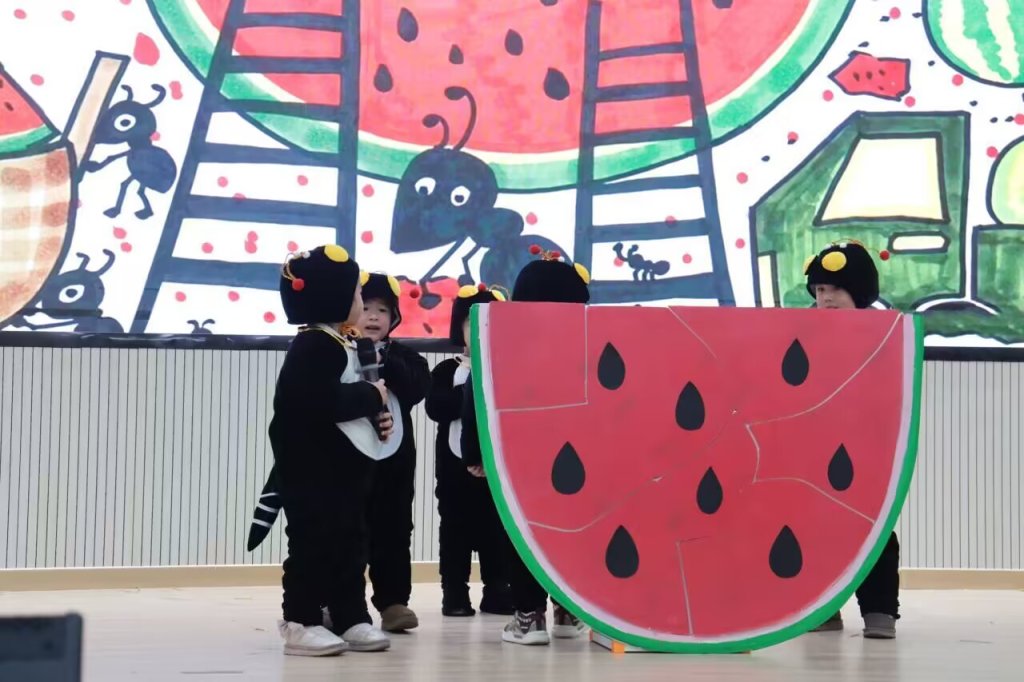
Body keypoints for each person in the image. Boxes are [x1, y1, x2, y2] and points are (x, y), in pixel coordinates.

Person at [461, 246, 591, 646]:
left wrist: (474, 453)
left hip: (518, 463)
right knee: (572, 535)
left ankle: (529, 616)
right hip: (577, 465)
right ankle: (567, 609)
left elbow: (475, 397)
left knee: (521, 536)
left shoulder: (501, 345)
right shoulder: (587, 348)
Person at [269, 245, 393, 656]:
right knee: (312, 545)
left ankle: (350, 615)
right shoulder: (315, 345)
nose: (361, 303)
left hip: (344, 473)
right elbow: (319, 402)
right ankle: (300, 619)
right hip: (312, 473)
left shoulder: (342, 343)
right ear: (335, 297)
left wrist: (377, 415)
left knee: (350, 544)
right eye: (357, 294)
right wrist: (371, 396)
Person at [804, 239, 901, 640]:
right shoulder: (802, 335)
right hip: (814, 447)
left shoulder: (887, 334)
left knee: (874, 527)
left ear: (859, 292)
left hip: (867, 447)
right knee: (815, 526)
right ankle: (823, 608)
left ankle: (880, 609)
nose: (825, 298)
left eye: (836, 289)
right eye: (819, 290)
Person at [425, 284, 514, 618]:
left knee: (497, 531)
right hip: (453, 471)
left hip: (496, 469)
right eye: (471, 323)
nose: (478, 331)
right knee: (454, 533)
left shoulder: (507, 369)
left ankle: (497, 590)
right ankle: (455, 593)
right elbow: (436, 407)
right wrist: (470, 390)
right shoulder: (446, 370)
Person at [355, 272, 431, 633]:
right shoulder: (335, 351)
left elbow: (417, 388)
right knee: (348, 529)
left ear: (395, 317)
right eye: (365, 307)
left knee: (395, 528)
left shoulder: (404, 357)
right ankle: (343, 602)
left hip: (394, 458)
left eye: (382, 310)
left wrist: (382, 359)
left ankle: (393, 602)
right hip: (349, 461)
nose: (373, 316)